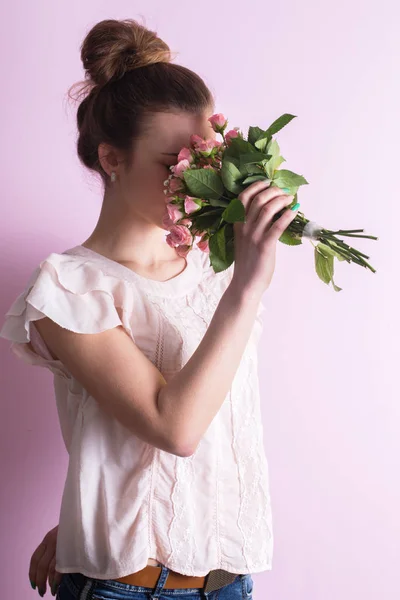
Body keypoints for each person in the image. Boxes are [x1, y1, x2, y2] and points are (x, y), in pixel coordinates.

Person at [0, 18, 299, 600]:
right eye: (174, 165)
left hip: (231, 581)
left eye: (207, 162)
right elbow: (174, 428)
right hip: (130, 592)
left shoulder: (214, 268)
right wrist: (246, 288)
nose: (195, 183)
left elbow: (185, 450)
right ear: (112, 158)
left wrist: (95, 518)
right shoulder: (70, 288)